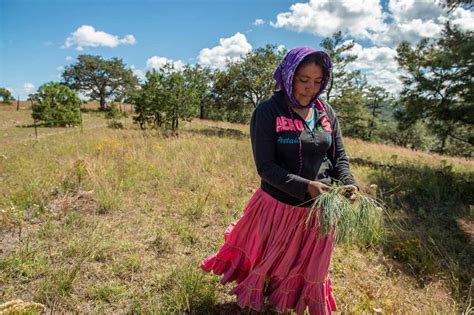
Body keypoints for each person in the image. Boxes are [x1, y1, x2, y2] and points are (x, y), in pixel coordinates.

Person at [201, 46, 358, 314]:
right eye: (303, 80)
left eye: (318, 81)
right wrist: (304, 186)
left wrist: (348, 182)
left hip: (320, 209)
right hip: (279, 208)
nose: (310, 88)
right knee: (272, 263)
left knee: (309, 266)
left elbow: (338, 156)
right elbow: (266, 167)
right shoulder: (268, 112)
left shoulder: (325, 112)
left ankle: (290, 300)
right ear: (288, 75)